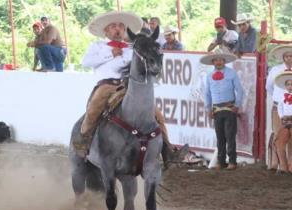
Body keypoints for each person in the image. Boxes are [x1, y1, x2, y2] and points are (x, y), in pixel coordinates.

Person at [73, 10, 188, 165]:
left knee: (157, 115)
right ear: (106, 30)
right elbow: (86, 62)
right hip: (106, 85)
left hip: (128, 86)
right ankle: (84, 140)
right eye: (113, 26)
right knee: (94, 107)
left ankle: (168, 150)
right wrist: (111, 54)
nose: (118, 29)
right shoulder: (98, 46)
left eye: (121, 26)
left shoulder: (133, 47)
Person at [202, 50, 244, 170]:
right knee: (220, 136)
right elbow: (207, 93)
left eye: (220, 60)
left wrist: (237, 105)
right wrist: (208, 108)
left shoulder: (232, 73)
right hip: (216, 109)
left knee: (230, 135)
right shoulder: (209, 76)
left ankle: (232, 161)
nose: (218, 62)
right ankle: (221, 161)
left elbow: (240, 90)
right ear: (213, 62)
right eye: (216, 60)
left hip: (230, 107)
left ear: (224, 61)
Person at [266, 44, 292, 171]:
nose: (289, 58)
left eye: (291, 56)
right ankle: (279, 163)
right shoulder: (275, 70)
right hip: (279, 106)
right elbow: (269, 87)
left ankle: (290, 164)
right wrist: (279, 99)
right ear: (283, 57)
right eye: (286, 56)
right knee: (279, 134)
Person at [274, 71, 292, 174]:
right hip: (285, 121)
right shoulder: (282, 96)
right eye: (288, 84)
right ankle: (283, 166)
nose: (290, 86)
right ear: (285, 86)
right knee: (279, 142)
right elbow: (280, 107)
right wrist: (282, 117)